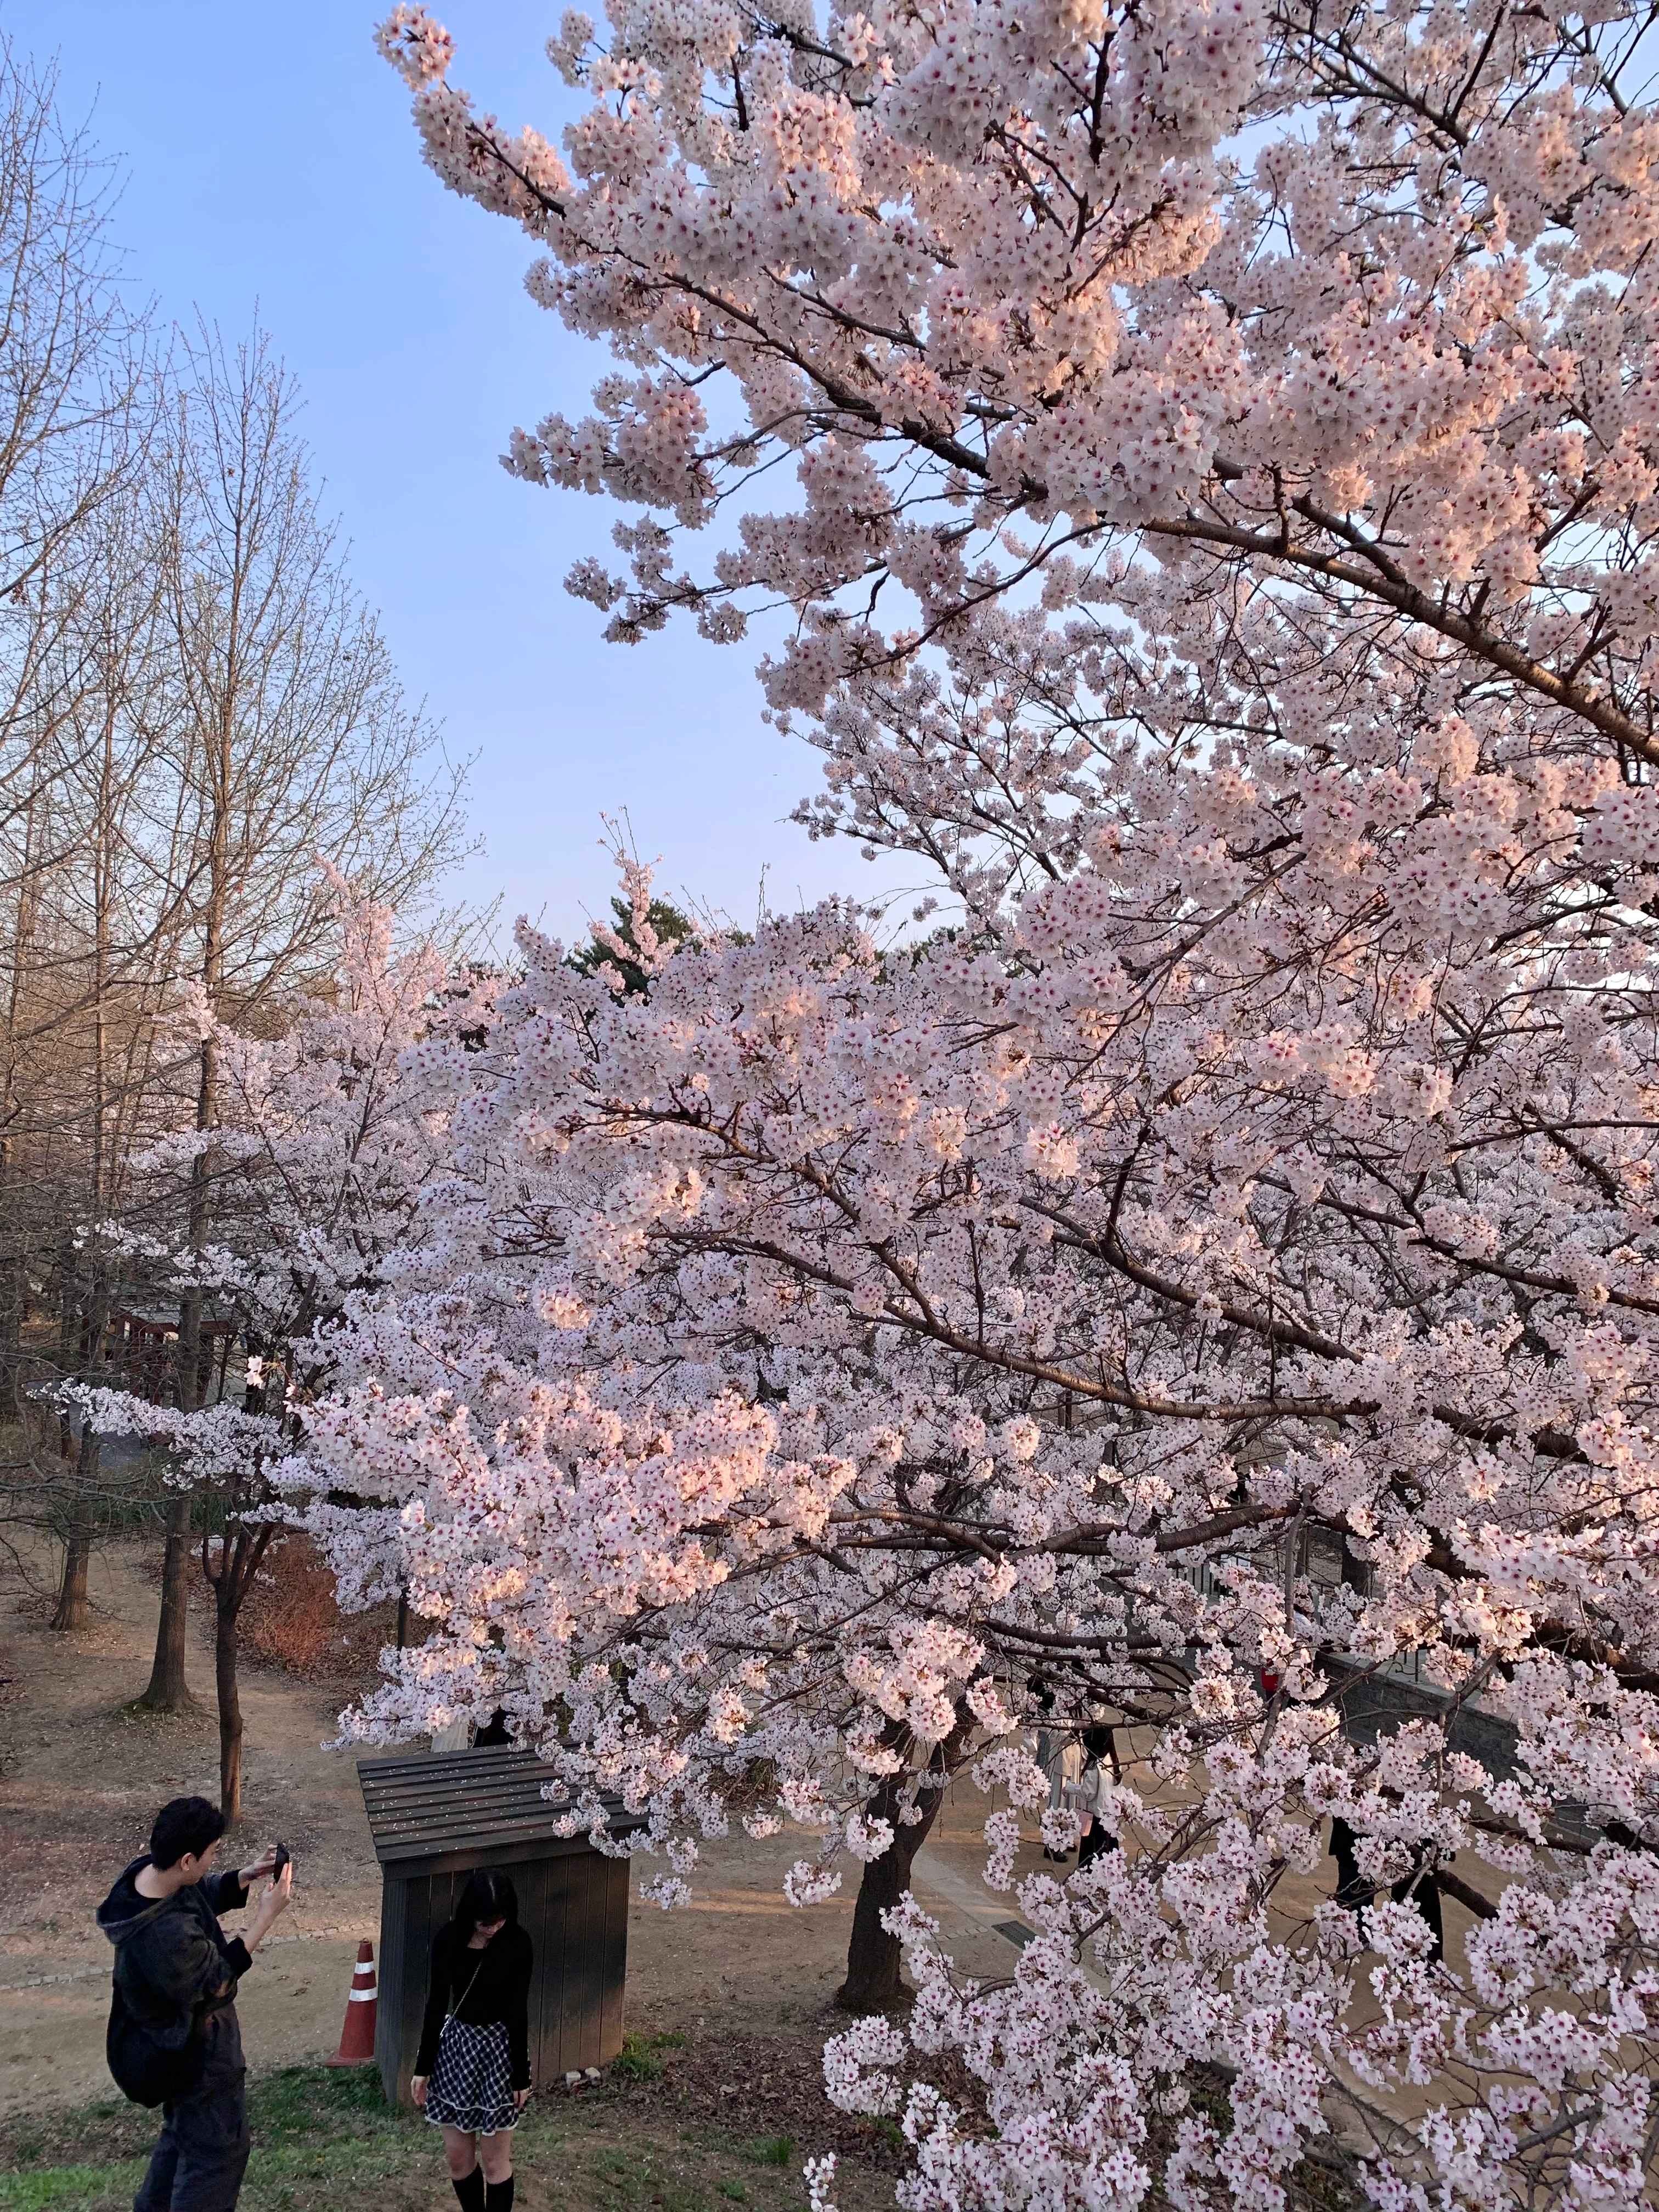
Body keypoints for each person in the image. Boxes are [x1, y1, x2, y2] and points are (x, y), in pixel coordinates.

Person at [98, 1795, 291, 2212]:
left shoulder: (143, 1879)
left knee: (181, 2142)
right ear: (187, 1859)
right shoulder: (163, 1937)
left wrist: (244, 1876)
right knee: (215, 2160)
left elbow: (194, 1893)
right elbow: (218, 1979)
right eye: (211, 1854)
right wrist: (266, 1917)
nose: (213, 1860)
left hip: (176, 2057)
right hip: (198, 2059)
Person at [411, 1869, 533, 2212]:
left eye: (499, 1920)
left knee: (495, 2163)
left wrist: (520, 2075)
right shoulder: (448, 1940)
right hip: (457, 2049)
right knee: (458, 2159)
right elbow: (436, 2004)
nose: (493, 1928)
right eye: (485, 1921)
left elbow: (518, 2012)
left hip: (499, 2051)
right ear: (470, 1913)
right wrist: (423, 2068)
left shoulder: (518, 1943)